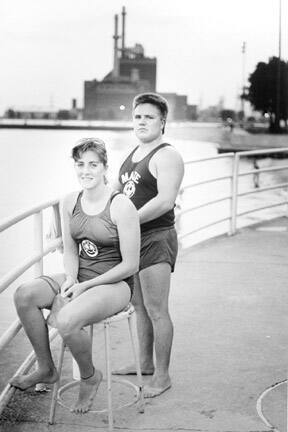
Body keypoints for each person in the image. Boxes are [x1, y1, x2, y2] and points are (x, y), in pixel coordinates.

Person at [10, 138, 140, 414]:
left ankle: (90, 376)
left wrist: (87, 286)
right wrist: (71, 277)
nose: (86, 171)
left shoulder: (121, 206)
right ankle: (46, 368)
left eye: (93, 164)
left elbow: (131, 265)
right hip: (81, 275)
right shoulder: (69, 202)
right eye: (80, 164)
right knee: (24, 295)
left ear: (105, 167)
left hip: (115, 283)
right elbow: (70, 251)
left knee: (67, 320)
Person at [113, 93, 184, 398]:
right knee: (139, 307)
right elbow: (113, 192)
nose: (142, 122)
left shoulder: (167, 156)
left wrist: (128, 223)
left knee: (157, 310)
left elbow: (165, 200)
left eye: (149, 117)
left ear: (163, 122)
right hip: (134, 241)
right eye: (138, 116)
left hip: (155, 239)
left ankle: (163, 375)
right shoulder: (133, 153)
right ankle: (144, 362)